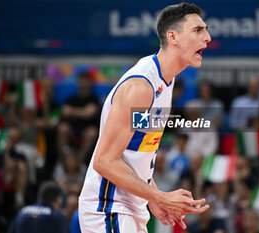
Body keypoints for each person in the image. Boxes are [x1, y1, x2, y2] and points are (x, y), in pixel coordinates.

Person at [79, 3, 211, 233]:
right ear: (173, 37)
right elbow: (104, 161)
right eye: (198, 30)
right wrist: (159, 196)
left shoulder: (165, 83)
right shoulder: (141, 87)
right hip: (109, 209)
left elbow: (136, 151)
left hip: (132, 208)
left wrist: (153, 198)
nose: (208, 37)